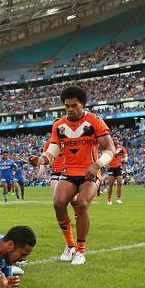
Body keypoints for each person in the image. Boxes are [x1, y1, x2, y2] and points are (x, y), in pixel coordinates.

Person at [29, 86, 115, 265]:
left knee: (82, 204)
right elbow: (53, 149)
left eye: (74, 105)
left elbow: (110, 149)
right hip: (68, 172)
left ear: (82, 104)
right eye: (67, 106)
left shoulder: (94, 121)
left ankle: (80, 250)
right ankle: (70, 245)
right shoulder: (59, 125)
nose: (70, 109)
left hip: (89, 172)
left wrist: (97, 164)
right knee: (58, 203)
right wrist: (41, 160)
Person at [106, 137, 128, 205]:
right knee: (111, 184)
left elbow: (125, 157)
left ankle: (119, 199)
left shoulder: (122, 148)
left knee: (119, 183)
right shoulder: (109, 148)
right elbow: (105, 156)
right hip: (111, 168)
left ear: (118, 140)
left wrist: (124, 160)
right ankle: (109, 199)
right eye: (113, 139)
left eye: (116, 139)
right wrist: (106, 164)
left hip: (119, 167)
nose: (115, 140)